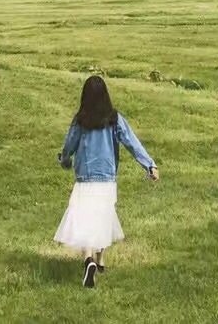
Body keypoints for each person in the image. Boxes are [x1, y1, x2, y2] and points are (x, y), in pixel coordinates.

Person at [54, 75, 159, 288]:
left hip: (85, 177)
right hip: (107, 178)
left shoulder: (80, 120)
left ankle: (89, 260)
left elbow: (69, 145)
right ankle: (100, 262)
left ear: (85, 96)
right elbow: (132, 142)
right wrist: (150, 164)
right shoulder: (114, 119)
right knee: (103, 216)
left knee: (85, 218)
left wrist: (64, 160)